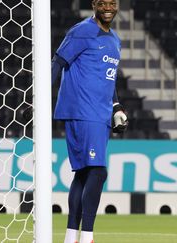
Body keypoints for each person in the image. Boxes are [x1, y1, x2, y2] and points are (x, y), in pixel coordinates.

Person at [52, 0, 127, 242]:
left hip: (101, 113)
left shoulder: (114, 39)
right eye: (103, 3)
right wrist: (37, 98)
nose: (108, 7)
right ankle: (87, 237)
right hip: (82, 110)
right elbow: (58, 63)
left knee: (84, 174)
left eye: (112, 3)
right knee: (98, 172)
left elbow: (109, 78)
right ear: (94, 4)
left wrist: (116, 108)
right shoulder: (82, 31)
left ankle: (71, 236)